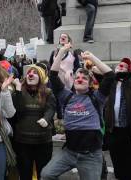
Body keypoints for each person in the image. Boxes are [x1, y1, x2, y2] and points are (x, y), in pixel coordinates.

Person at [41, 43, 115, 180]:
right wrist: (62, 51)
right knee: (46, 174)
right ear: (74, 81)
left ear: (90, 83)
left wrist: (91, 57)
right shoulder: (66, 96)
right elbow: (53, 75)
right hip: (69, 152)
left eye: (84, 78)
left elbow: (110, 75)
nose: (80, 79)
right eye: (77, 77)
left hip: (91, 155)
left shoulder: (96, 98)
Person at [11, 65, 56, 180]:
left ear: (40, 77)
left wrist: (46, 118)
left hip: (43, 142)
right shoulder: (18, 91)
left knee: (43, 173)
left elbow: (51, 108)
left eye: (35, 73)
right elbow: (19, 111)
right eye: (29, 72)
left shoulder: (48, 92)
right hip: (22, 142)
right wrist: (18, 90)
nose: (30, 74)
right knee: (25, 174)